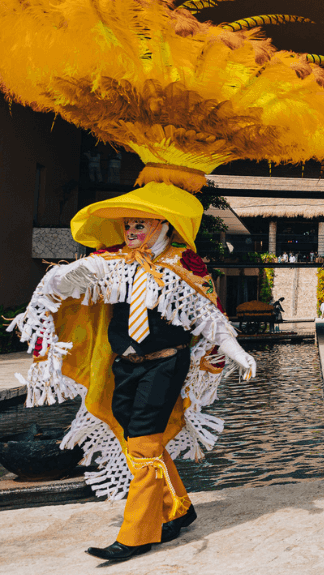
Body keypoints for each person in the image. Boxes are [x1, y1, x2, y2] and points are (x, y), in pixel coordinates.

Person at [7, 182, 256, 562]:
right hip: (124, 366)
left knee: (142, 441)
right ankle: (181, 507)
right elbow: (58, 281)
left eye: (139, 224)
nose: (131, 231)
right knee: (138, 438)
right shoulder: (112, 262)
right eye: (128, 225)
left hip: (166, 363)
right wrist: (61, 283)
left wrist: (236, 350)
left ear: (162, 225)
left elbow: (209, 317)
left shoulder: (182, 266)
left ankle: (138, 532)